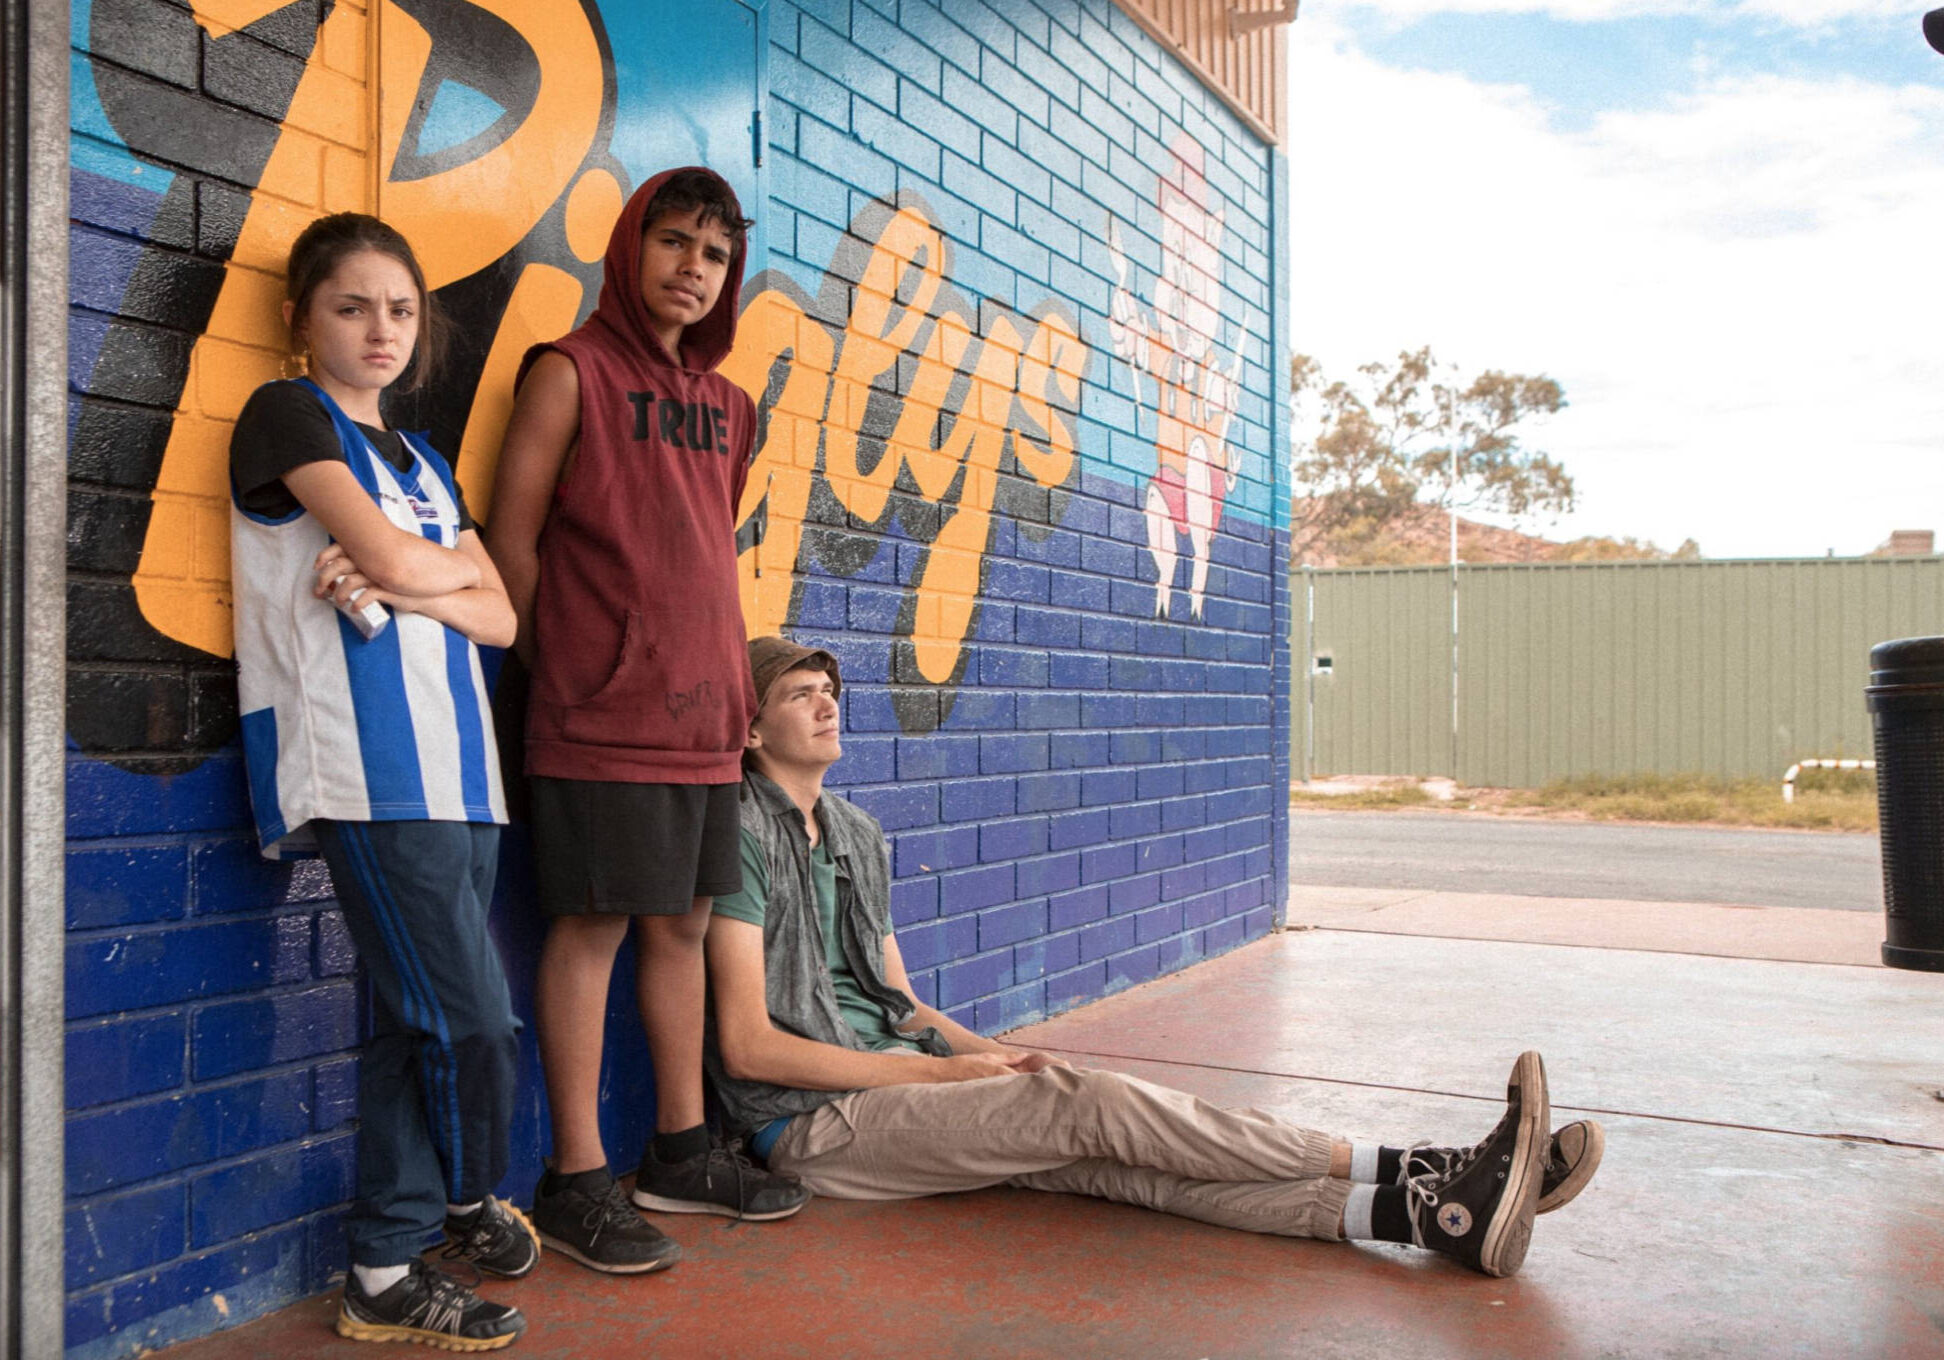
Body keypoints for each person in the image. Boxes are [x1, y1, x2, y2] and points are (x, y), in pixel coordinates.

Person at [705, 636, 1608, 1280]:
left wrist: (988, 1058)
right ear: (750, 733)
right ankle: (1414, 1160)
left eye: (829, 687)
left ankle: (1436, 1215)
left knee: (1124, 1165)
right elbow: (748, 1049)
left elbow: (903, 1005)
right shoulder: (739, 832)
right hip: (815, 1128)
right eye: (797, 694)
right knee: (1089, 1103)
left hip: (902, 1086)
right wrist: (948, 1084)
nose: (827, 702)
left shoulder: (858, 835)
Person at [485, 167, 808, 1275]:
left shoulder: (731, 408)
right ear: (630, 249)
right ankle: (575, 1176)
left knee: (682, 931)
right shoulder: (568, 374)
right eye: (673, 243)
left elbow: (700, 552)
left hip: (704, 720)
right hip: (598, 717)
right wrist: (564, 664)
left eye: (714, 256)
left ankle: (677, 1149)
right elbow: (512, 537)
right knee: (594, 931)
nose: (692, 269)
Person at [230, 213, 534, 1350]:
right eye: (352, 306)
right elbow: (437, 571)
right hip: (367, 771)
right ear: (302, 318)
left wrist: (419, 580)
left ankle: (384, 1269)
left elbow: (499, 612)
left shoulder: (426, 461)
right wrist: (435, 575)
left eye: (401, 309)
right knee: (471, 1023)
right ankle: (463, 1198)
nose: (380, 329)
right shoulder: (287, 416)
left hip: (465, 774)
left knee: (417, 1027)